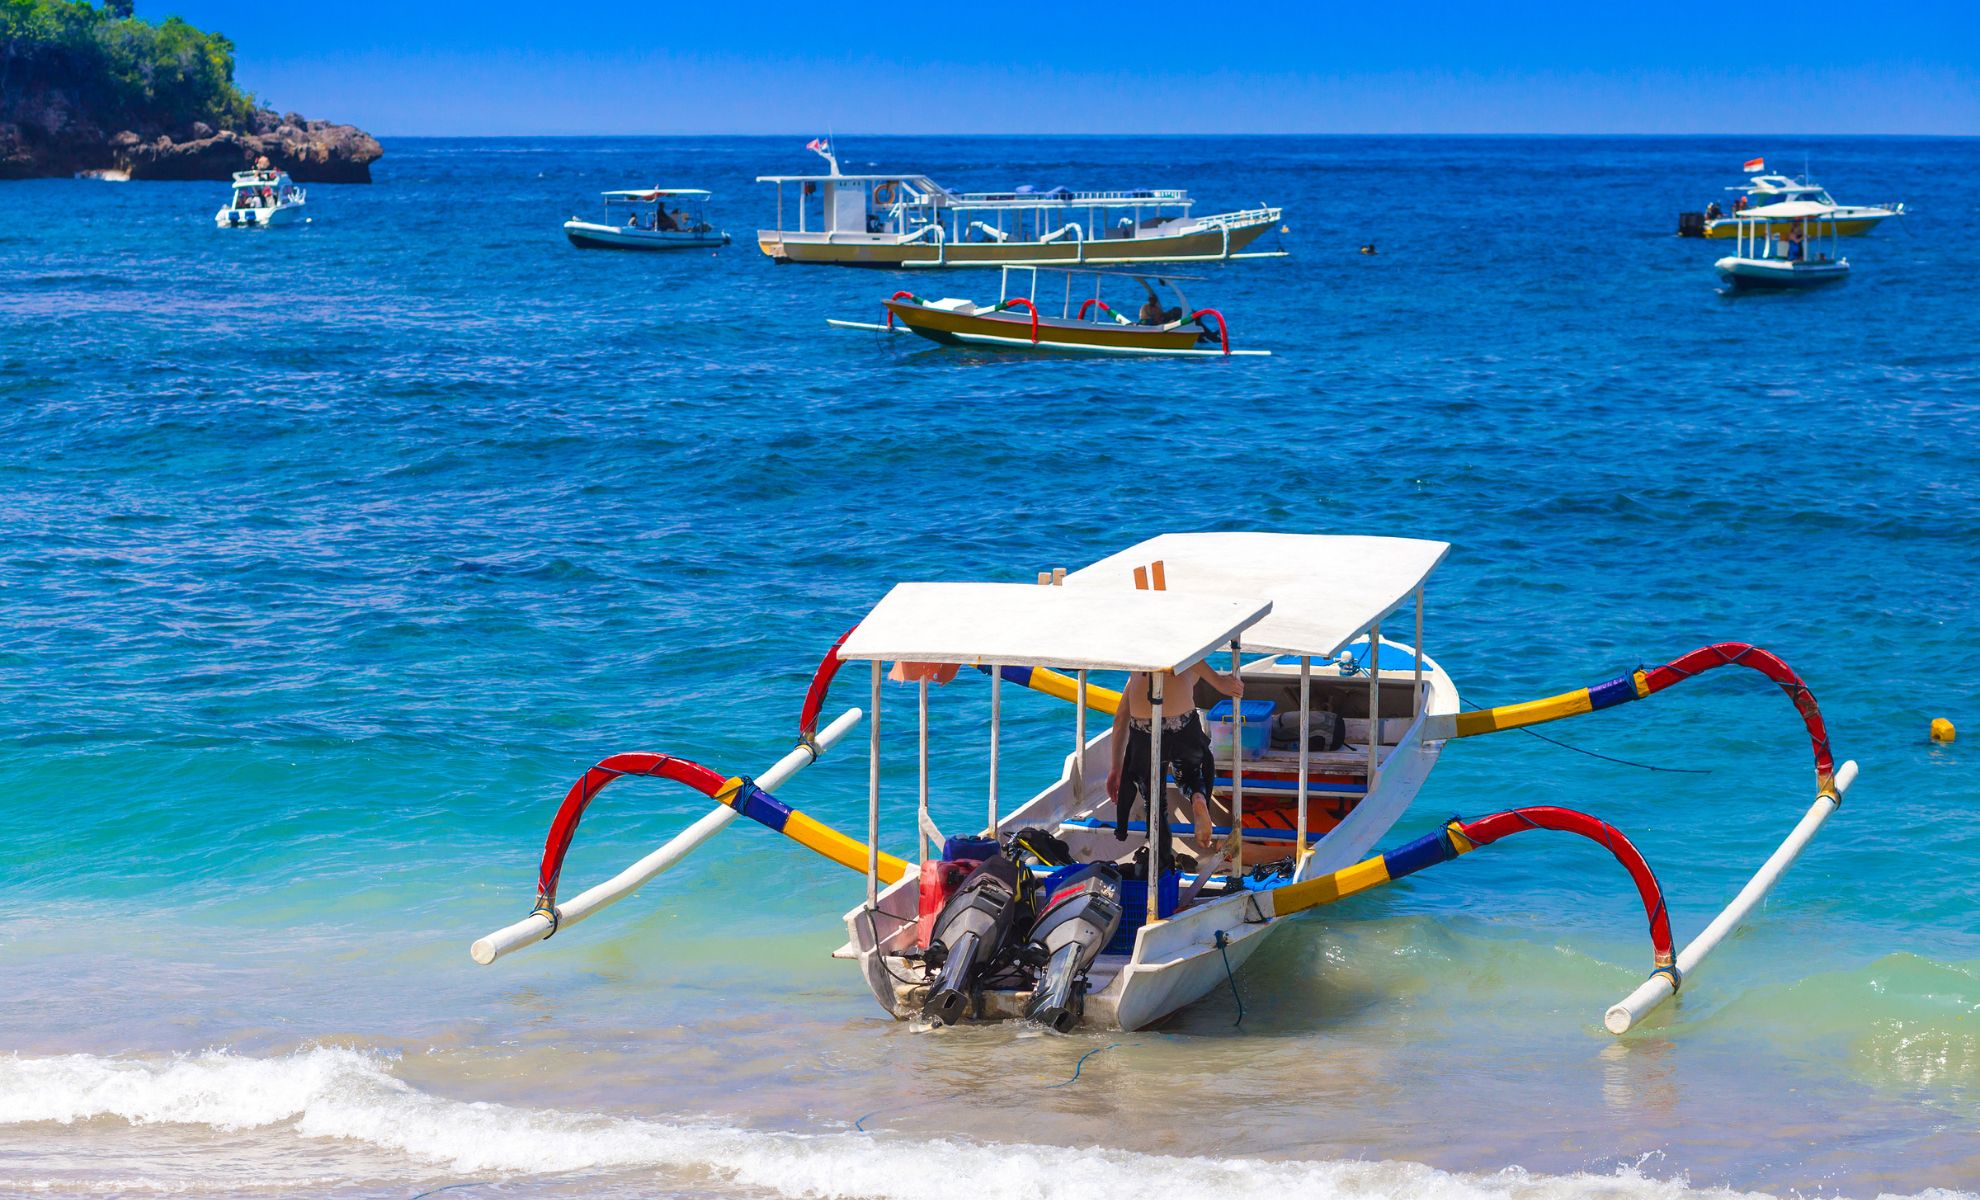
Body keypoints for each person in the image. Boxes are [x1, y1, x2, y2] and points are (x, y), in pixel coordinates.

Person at [1106, 659, 1245, 856]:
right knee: (1191, 774)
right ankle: (1197, 796)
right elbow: (1192, 656)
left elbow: (1120, 720)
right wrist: (1220, 682)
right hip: (1182, 726)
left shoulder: (1137, 668)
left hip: (1144, 731)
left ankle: (1161, 859)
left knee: (1154, 800)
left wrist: (1115, 768)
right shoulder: (1188, 658)